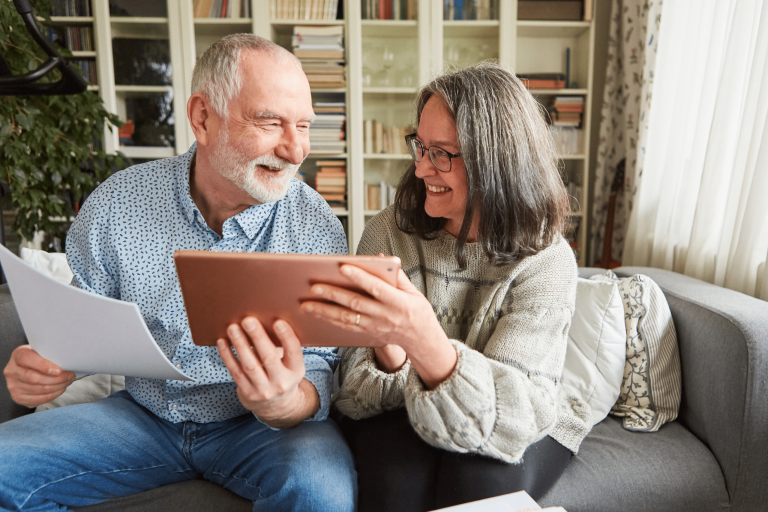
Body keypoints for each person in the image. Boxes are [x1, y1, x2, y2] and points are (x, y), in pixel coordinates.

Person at [0, 34, 356, 512]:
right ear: (202, 118)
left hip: (261, 430)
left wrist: (287, 404)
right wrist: (45, 366)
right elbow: (84, 322)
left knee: (321, 494)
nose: (295, 151)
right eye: (270, 123)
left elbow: (322, 360)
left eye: (304, 126)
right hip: (144, 420)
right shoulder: (117, 203)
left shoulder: (316, 225)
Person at [301, 62, 592, 511]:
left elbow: (511, 417)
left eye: (441, 153)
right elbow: (354, 395)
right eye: (420, 147)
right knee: (393, 480)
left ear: (496, 161)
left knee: (475, 479)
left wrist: (422, 337)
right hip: (402, 412)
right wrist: (392, 353)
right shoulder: (388, 234)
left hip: (519, 421)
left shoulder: (547, 260)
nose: (420, 170)